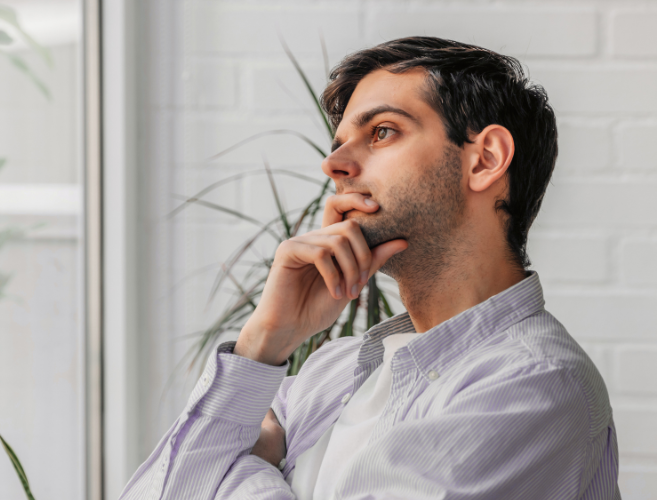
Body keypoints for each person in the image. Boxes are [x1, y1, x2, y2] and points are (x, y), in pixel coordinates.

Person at [120, 37, 619, 499]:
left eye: (382, 132)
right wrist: (263, 343)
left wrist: (247, 467)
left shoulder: (532, 385)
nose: (334, 165)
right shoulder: (328, 372)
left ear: (485, 159)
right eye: (339, 141)